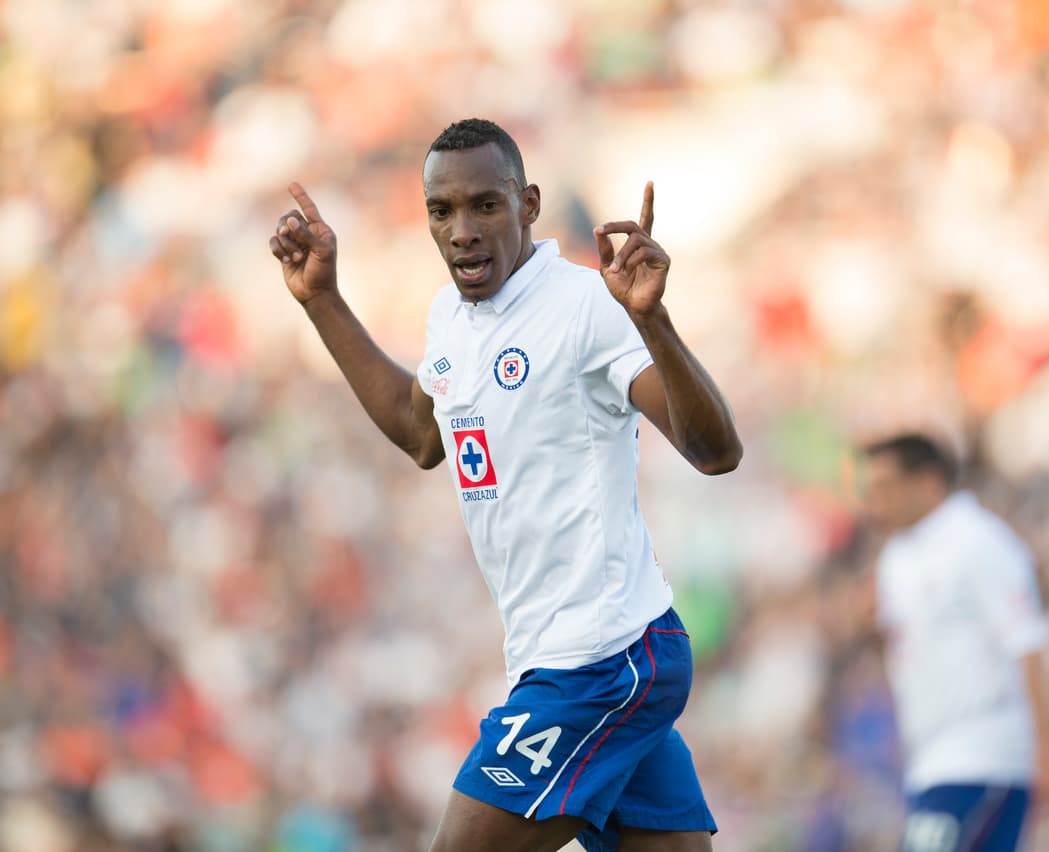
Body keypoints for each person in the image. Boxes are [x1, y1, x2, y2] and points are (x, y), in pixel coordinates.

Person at [267, 118, 741, 852]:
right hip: (567, 658)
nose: (462, 230)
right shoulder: (451, 320)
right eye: (441, 211)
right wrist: (321, 301)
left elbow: (715, 452)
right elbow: (421, 433)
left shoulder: (585, 305)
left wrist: (653, 322)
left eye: (485, 205)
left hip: (601, 658)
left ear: (529, 205)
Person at [861, 434, 1049, 852]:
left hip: (983, 754)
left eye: (885, 487)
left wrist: (1048, 754)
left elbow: (1028, 645)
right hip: (929, 758)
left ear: (927, 481)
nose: (875, 501)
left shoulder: (980, 542)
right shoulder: (896, 558)